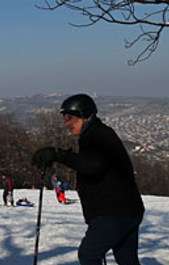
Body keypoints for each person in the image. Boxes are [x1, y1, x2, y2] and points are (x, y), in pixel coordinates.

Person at [32, 94, 145, 265]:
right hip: (127, 211)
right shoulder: (96, 134)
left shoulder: (98, 136)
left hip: (114, 213)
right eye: (65, 118)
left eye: (70, 118)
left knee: (89, 254)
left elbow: (93, 166)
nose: (67, 123)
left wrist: (58, 154)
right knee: (126, 259)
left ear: (85, 116)